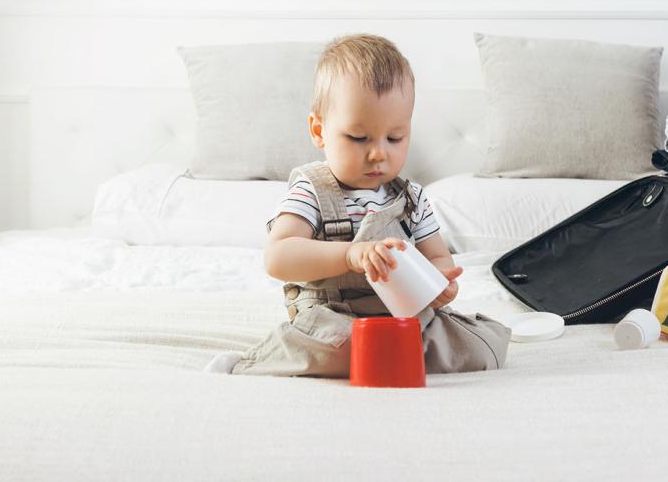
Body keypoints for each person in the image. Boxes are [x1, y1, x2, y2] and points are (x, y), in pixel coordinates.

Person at [207, 33, 509, 376]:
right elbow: (279, 257)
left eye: (395, 138)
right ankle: (251, 362)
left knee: (478, 349)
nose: (379, 152)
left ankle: (399, 352)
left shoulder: (412, 199)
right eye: (358, 137)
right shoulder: (312, 191)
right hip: (334, 318)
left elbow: (438, 258)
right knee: (350, 349)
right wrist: (350, 255)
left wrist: (440, 285)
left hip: (404, 317)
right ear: (319, 130)